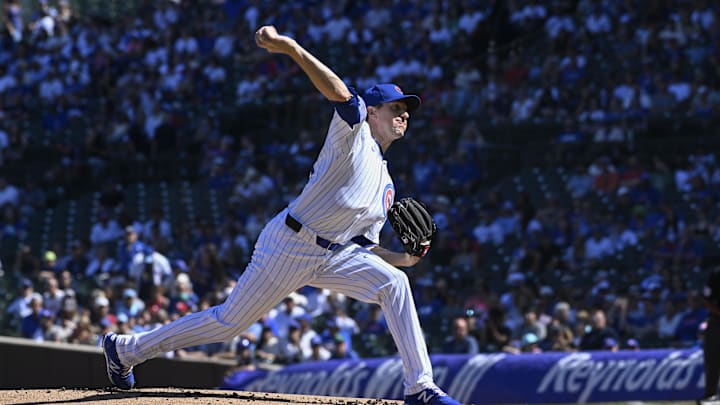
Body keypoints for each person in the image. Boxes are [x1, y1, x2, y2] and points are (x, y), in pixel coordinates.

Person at [101, 25, 461, 405]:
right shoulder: (353, 136)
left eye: (406, 112)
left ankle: (420, 388)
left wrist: (402, 259)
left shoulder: (387, 185)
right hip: (290, 244)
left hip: (335, 256)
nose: (404, 116)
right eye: (396, 108)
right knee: (229, 323)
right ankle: (125, 350)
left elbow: (363, 249)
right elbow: (341, 94)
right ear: (373, 111)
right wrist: (290, 48)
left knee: (395, 284)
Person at [700, 268, 720, 403]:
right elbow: (706, 300)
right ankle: (711, 396)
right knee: (712, 358)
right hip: (716, 321)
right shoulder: (716, 274)